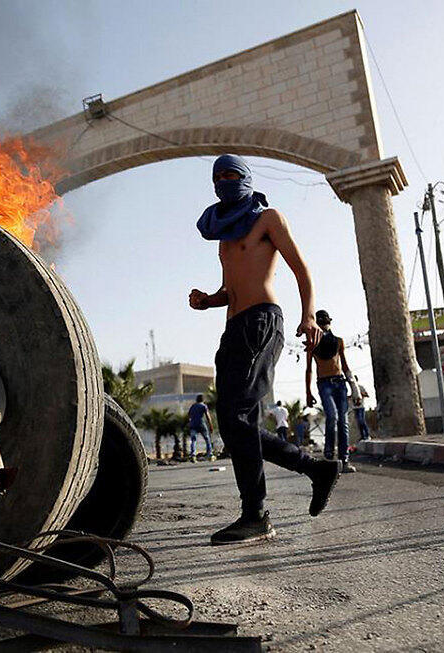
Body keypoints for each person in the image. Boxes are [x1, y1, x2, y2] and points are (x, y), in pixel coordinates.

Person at [190, 154, 342, 545]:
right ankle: (316, 471)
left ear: (246, 178)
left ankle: (256, 515)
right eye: (218, 176)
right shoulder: (224, 233)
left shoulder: (268, 218)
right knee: (233, 423)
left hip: (261, 322)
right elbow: (230, 289)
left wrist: (309, 316)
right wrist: (209, 299)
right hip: (234, 327)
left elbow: (301, 268)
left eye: (231, 174)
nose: (224, 181)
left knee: (237, 419)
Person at [305, 310, 357, 473]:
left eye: (325, 323)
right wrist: (308, 392)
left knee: (343, 420)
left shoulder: (338, 342)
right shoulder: (312, 345)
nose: (324, 327)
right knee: (332, 416)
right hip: (324, 384)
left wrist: (354, 387)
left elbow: (345, 365)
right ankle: (329, 456)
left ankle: (344, 459)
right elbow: (309, 370)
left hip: (340, 382)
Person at [187, 394, 214, 460]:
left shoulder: (193, 406)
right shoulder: (204, 406)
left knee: (193, 440)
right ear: (203, 400)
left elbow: (189, 415)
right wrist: (210, 425)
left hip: (193, 424)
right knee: (207, 439)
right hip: (201, 424)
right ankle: (210, 454)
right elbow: (208, 416)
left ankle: (193, 455)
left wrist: (190, 423)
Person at [351, 374, 371, 441]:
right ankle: (362, 436)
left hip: (361, 407)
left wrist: (360, 395)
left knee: (361, 420)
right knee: (358, 422)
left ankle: (367, 435)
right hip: (354, 407)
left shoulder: (360, 387)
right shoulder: (350, 388)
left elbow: (367, 395)